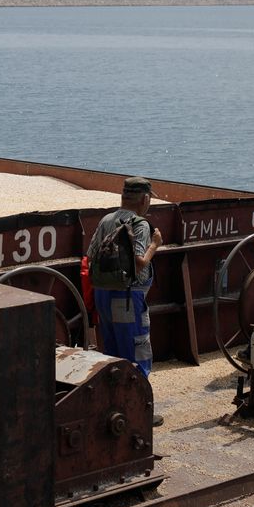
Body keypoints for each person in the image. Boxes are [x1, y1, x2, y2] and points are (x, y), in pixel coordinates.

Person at [88, 176, 164, 426]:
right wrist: (155, 244)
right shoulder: (139, 224)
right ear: (144, 199)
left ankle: (113, 406)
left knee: (112, 354)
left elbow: (90, 257)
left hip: (103, 296)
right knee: (137, 352)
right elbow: (140, 263)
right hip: (128, 298)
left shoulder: (106, 220)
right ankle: (140, 411)